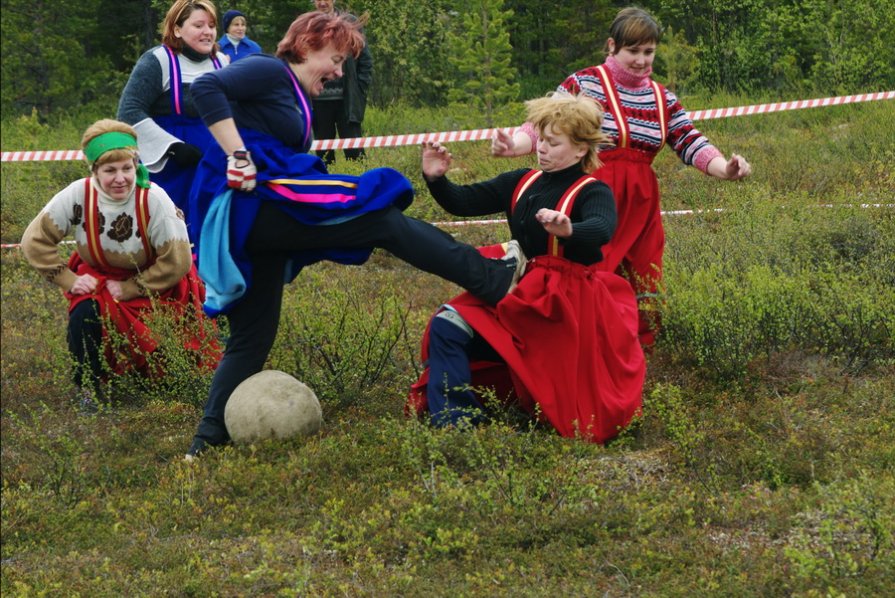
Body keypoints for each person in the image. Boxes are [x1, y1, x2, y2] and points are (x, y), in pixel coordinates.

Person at [183, 11, 523, 459]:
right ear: (306, 46)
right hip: (256, 205)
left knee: (253, 335)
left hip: (261, 215)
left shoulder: (293, 93)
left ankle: (205, 443)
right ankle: (490, 277)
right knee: (378, 210)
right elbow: (205, 89)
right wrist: (239, 154)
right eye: (336, 59)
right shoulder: (269, 69)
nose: (339, 72)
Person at [491, 7, 752, 347]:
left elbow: (690, 142)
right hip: (590, 197)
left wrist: (725, 168)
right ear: (612, 46)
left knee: (644, 277)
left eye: (649, 51)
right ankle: (574, 346)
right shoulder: (583, 84)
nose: (641, 60)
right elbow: (542, 126)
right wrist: (514, 145)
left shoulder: (663, 99)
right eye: (633, 51)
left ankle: (634, 354)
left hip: (641, 207)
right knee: (588, 274)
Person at [407, 94, 646, 443]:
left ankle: (516, 400)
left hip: (565, 305)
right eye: (541, 140)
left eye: (553, 143)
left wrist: (569, 230)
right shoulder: (522, 180)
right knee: (448, 324)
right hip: (518, 286)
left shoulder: (593, 190)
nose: (542, 150)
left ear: (581, 150)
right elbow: (463, 202)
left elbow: (603, 227)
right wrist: (436, 179)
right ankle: (456, 424)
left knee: (570, 407)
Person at [20, 120, 219, 413]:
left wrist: (133, 287)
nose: (120, 178)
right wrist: (67, 279)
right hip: (101, 277)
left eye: (126, 168)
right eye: (109, 170)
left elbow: (177, 260)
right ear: (94, 171)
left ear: (136, 164)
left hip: (159, 282)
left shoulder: (153, 198)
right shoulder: (78, 195)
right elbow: (33, 240)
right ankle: (89, 385)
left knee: (168, 374)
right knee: (84, 312)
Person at [118, 0, 230, 231]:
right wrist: (173, 147)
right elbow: (129, 111)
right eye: (198, 25)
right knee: (171, 232)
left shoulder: (222, 62)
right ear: (177, 29)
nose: (207, 32)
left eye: (211, 25)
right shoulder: (158, 60)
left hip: (214, 163)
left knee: (212, 229)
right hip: (172, 167)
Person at [310, 0, 373, 165]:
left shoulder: (350, 22)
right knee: (324, 156)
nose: (322, 2)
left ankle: (362, 186)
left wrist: (360, 88)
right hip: (319, 99)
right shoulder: (308, 24)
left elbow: (365, 59)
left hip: (348, 98)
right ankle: (325, 188)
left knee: (355, 153)